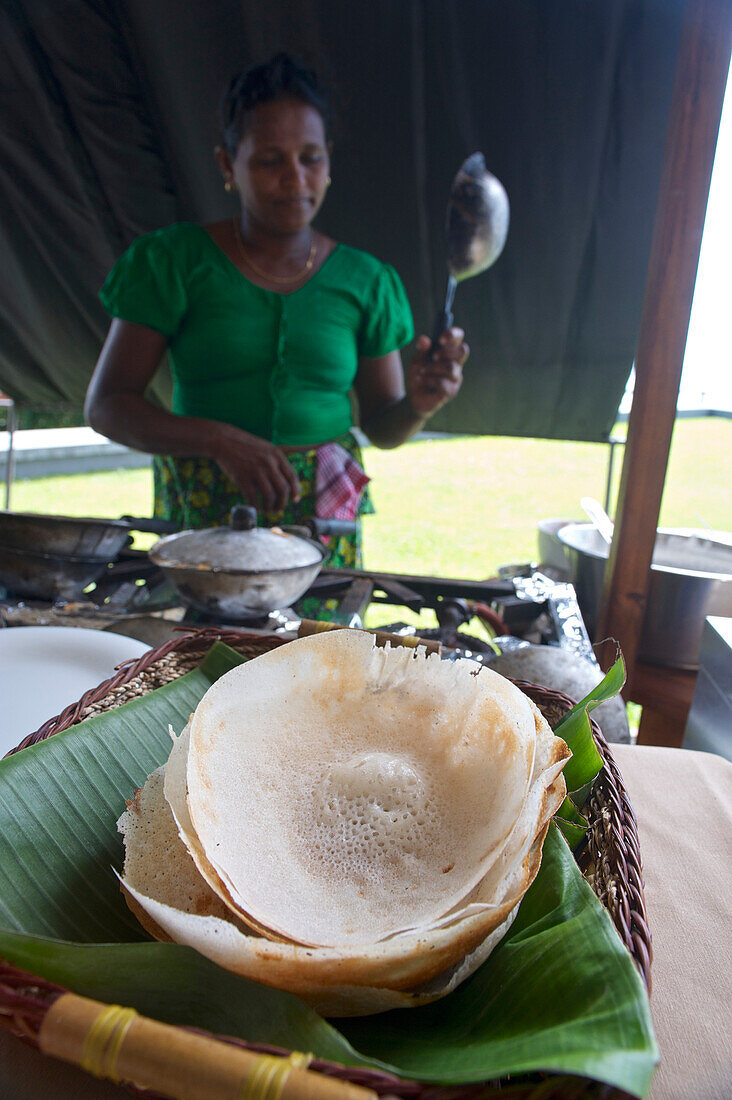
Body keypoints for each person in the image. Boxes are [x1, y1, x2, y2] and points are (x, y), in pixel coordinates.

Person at [85, 53, 468, 574]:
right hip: (205, 502)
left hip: (323, 514)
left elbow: (382, 426)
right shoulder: (171, 262)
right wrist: (219, 440)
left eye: (310, 158)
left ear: (328, 161)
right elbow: (106, 405)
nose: (294, 177)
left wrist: (419, 405)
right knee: (205, 653)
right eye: (270, 159)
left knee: (317, 651)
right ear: (227, 164)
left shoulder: (367, 281)